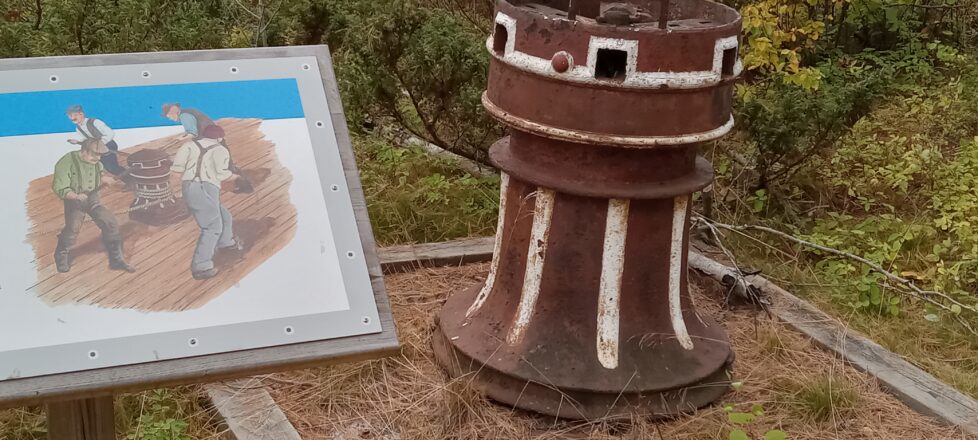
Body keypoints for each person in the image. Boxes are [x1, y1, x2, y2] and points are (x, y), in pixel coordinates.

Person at [52, 138, 136, 274]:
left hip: (93, 199)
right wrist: (76, 196)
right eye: (94, 154)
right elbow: (59, 187)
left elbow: (99, 174)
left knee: (110, 222)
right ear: (83, 151)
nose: (97, 158)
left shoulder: (96, 162)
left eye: (100, 155)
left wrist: (104, 179)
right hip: (74, 201)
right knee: (72, 230)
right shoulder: (66, 162)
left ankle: (116, 260)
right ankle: (61, 255)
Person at [170, 136, 243, 280]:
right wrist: (235, 176)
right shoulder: (220, 149)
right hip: (206, 187)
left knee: (225, 216)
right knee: (211, 227)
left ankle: (226, 243)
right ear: (219, 137)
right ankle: (201, 267)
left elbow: (176, 171)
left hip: (190, 187)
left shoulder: (189, 146)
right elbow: (223, 174)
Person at [162, 103, 253, 193]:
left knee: (221, 164)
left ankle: (242, 185)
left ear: (174, 111)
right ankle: (241, 183)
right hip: (214, 137)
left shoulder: (184, 116)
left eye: (169, 116)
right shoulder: (189, 112)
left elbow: (192, 133)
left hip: (209, 140)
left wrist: (179, 139)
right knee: (226, 162)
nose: (170, 118)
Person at [66, 105, 127, 177]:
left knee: (111, 167)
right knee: (104, 167)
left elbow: (110, 133)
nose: (72, 118)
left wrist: (100, 144)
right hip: (97, 150)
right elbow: (86, 141)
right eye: (70, 116)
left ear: (81, 114)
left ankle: (130, 179)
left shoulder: (95, 122)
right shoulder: (78, 128)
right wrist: (77, 142)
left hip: (108, 146)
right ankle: (128, 179)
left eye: (75, 115)